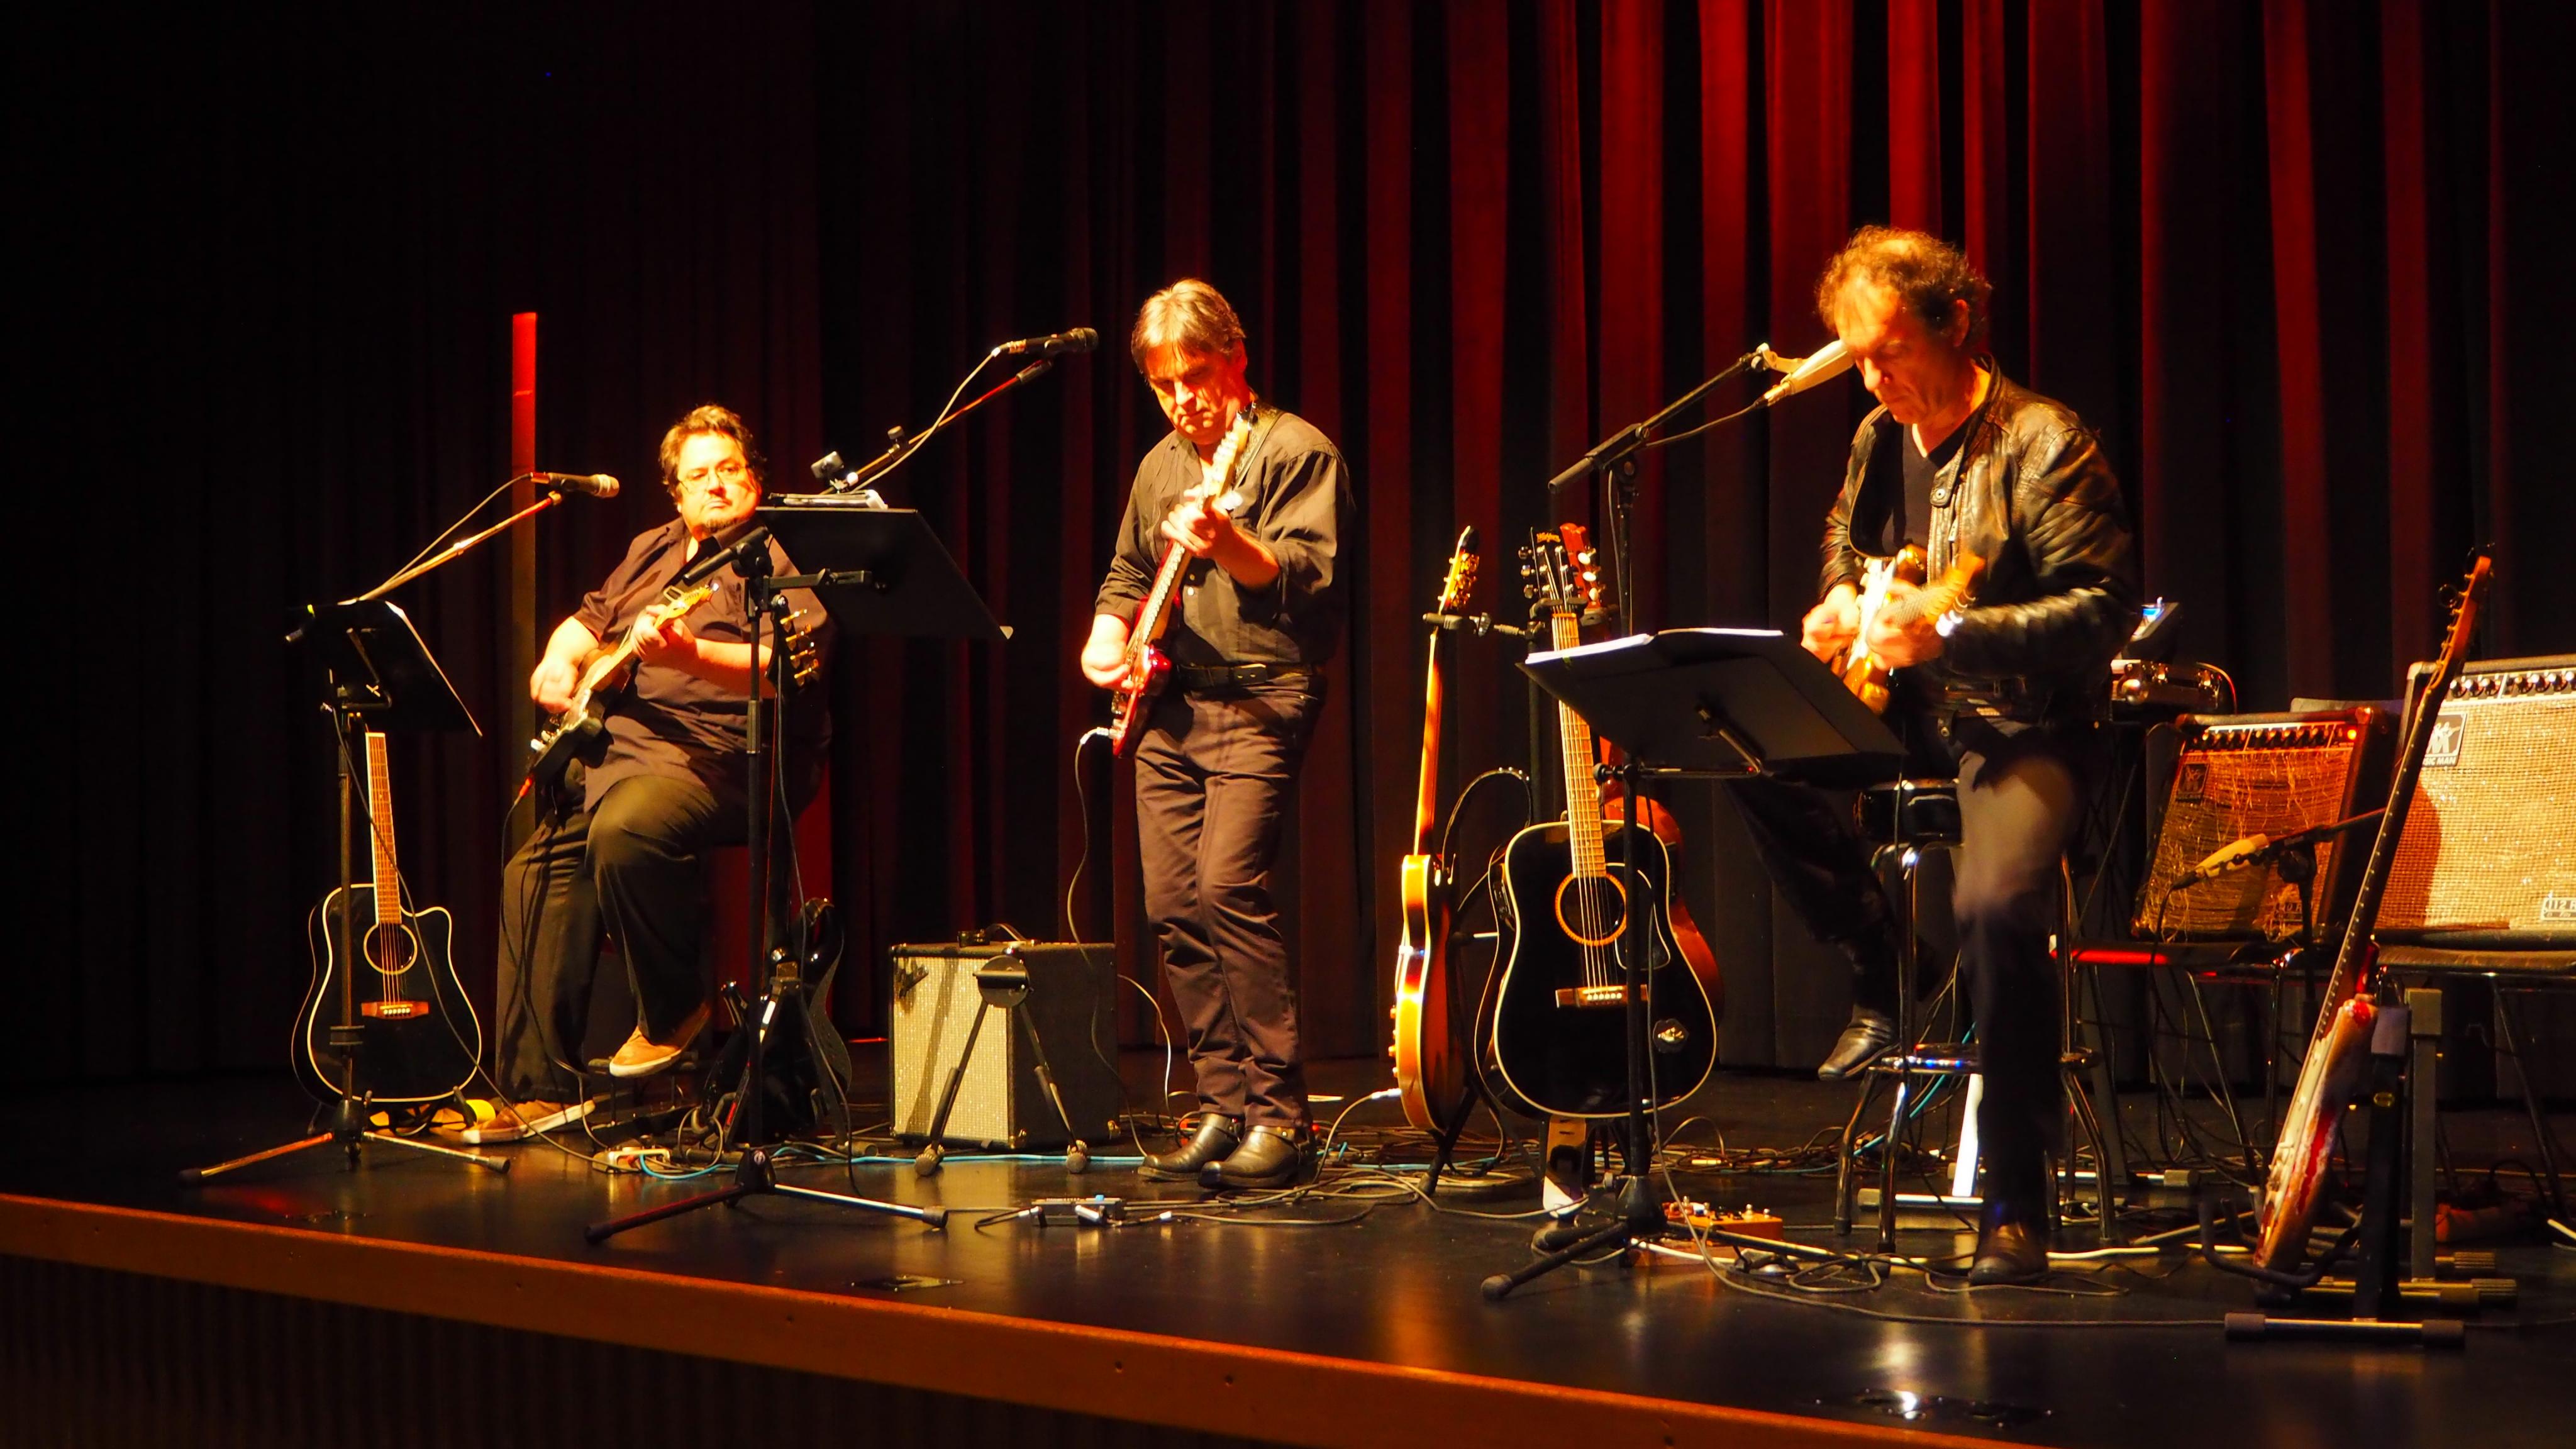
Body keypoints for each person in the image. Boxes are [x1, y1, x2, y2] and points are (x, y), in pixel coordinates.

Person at [1736, 227, 2138, 1282]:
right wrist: (1840, 597)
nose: (1874, 379)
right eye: (1860, 359)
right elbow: (1845, 536)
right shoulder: (1881, 434)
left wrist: (1949, 633)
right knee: (1741, 741)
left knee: (1998, 906)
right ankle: (1887, 966)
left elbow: (2100, 611)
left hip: (2023, 723)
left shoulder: (2044, 440)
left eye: (1891, 352)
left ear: (1955, 323)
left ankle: (2015, 1201)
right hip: (1907, 714)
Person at [477, 404, 832, 1142]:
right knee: (530, 876)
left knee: (628, 828)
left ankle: (673, 1010)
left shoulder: (781, 550)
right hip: (620, 753)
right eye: (698, 476)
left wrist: (688, 655)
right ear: (676, 492)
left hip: (724, 755)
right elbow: (589, 618)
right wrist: (558, 661)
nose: (716, 485)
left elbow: (784, 667)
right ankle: (539, 1090)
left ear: (755, 477)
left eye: (729, 470)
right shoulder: (655, 547)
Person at [1080, 279, 1352, 1190]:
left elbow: (1307, 579)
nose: (1183, 399)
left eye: (1195, 376)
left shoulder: (1295, 450)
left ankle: (1281, 1116)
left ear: (1236, 359)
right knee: (1172, 904)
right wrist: (1106, 640)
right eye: (1164, 385)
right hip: (1170, 704)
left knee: (1228, 887)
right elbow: (1128, 572)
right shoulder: (1160, 465)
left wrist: (1225, 540)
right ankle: (1221, 1104)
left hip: (1262, 695)